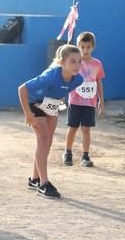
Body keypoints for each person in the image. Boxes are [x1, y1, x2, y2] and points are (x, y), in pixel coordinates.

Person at [18, 44, 83, 199]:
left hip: (51, 104)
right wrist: (28, 113)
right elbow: (22, 89)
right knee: (43, 138)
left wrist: (57, 103)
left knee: (47, 142)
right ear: (62, 62)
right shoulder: (50, 76)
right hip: (34, 102)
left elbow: (61, 91)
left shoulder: (78, 80)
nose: (77, 65)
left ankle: (34, 179)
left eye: (79, 61)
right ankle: (44, 183)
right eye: (72, 61)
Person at [63, 31, 105, 167]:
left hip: (90, 103)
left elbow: (98, 82)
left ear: (93, 47)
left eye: (88, 47)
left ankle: (85, 155)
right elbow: (66, 79)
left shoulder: (97, 64)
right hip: (75, 101)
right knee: (73, 127)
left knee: (86, 129)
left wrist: (101, 101)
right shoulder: (75, 63)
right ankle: (67, 153)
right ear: (78, 46)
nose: (85, 50)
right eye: (82, 47)